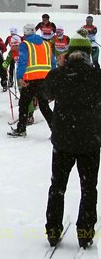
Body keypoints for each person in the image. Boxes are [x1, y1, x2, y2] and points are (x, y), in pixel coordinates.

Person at [43, 32, 101, 249]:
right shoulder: (96, 76)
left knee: (57, 187)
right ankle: (85, 233)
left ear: (69, 54)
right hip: (90, 141)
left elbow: (46, 93)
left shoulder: (60, 74)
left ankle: (53, 231)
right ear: (89, 54)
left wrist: (59, 68)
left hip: (63, 141)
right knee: (89, 188)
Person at [9, 24, 56, 137]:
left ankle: (21, 129)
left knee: (24, 104)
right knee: (44, 106)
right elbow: (53, 61)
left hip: (30, 80)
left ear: (25, 33)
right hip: (44, 80)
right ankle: (56, 130)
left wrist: (20, 77)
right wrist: (53, 77)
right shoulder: (46, 44)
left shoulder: (25, 44)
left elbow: (22, 61)